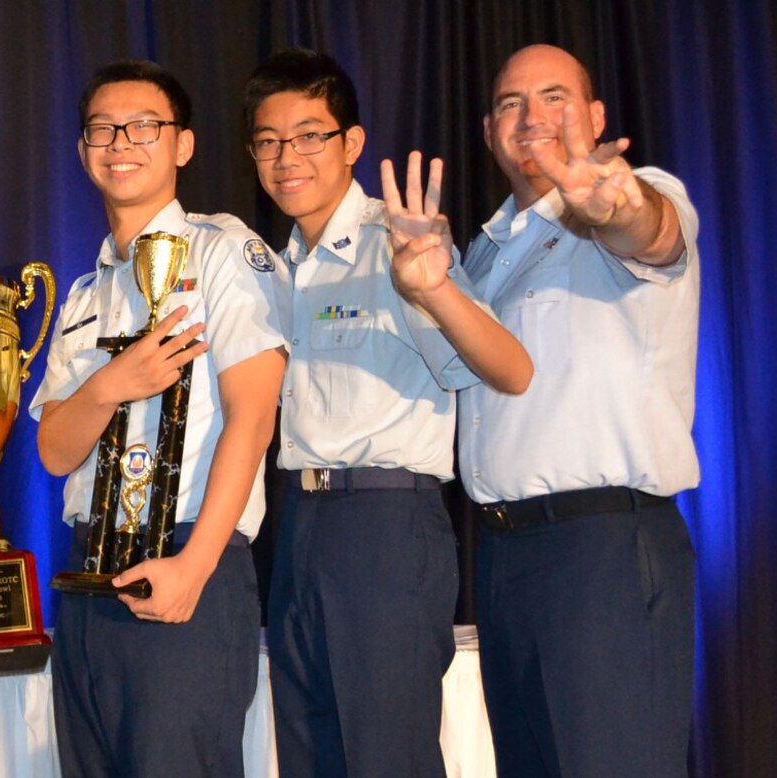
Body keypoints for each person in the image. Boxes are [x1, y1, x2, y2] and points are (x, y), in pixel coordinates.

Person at [242, 49, 534, 777]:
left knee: (388, 756)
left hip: (384, 525)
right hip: (299, 525)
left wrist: (434, 287)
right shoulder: (274, 265)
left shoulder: (400, 241)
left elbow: (481, 367)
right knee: (309, 753)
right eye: (269, 142)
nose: (287, 158)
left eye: (309, 135)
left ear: (352, 143)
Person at [30, 59, 288, 777]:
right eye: (103, 129)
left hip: (185, 559)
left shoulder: (223, 252)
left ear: (183, 145)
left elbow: (253, 420)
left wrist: (194, 567)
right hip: (87, 574)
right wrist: (112, 383)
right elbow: (53, 450)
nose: (122, 142)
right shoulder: (85, 291)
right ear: (83, 152)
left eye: (145, 125)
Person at [461, 43, 699, 777]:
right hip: (503, 558)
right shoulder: (483, 251)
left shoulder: (637, 190)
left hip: (603, 551)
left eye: (554, 97)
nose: (531, 118)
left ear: (596, 117)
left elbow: (650, 230)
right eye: (510, 104)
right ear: (489, 130)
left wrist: (614, 205)